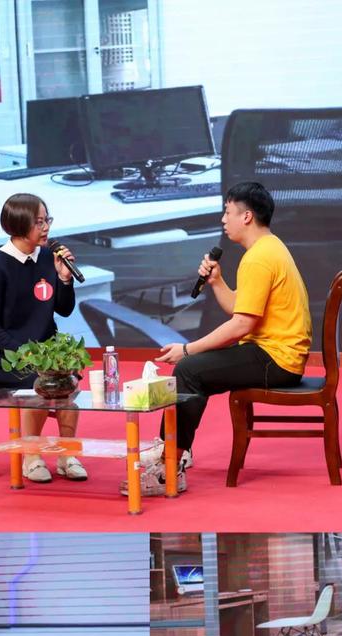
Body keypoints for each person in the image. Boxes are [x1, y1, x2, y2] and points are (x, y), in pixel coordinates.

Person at [122, 181, 311, 497]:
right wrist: (217, 281)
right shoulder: (269, 248)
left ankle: (171, 464)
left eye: (227, 212)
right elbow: (240, 308)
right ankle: (176, 451)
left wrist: (187, 349)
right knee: (194, 371)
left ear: (246, 216)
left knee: (189, 370)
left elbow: (241, 325)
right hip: (274, 353)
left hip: (276, 359)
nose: (223, 220)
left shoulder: (259, 258)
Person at [0, 192, 88, 484]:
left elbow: (63, 309)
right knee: (38, 382)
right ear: (18, 224)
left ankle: (67, 454)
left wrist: (64, 278)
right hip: (4, 356)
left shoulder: (48, 258)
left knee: (67, 379)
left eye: (47, 220)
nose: (46, 227)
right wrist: (25, 353)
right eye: (39, 222)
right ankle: (31, 457)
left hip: (42, 352)